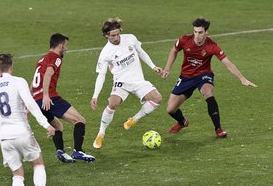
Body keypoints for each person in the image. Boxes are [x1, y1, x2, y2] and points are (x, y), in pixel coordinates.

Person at [161, 18, 258, 138]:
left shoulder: (212, 46)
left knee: (208, 92)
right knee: (170, 109)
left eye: (200, 32)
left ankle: (218, 129)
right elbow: (174, 51)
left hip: (203, 75)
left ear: (206, 32)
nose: (197, 35)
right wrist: (167, 68)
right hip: (186, 77)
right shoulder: (184, 40)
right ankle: (182, 122)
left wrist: (242, 79)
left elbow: (228, 63)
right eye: (195, 32)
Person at [0, 54, 55, 186]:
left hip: (4, 137)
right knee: (38, 164)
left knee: (17, 175)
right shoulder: (18, 81)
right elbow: (30, 104)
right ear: (11, 67)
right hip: (22, 132)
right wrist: (46, 125)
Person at [91, 18, 163, 149]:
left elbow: (141, 52)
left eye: (118, 34)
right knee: (112, 104)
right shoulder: (105, 53)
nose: (116, 37)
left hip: (138, 80)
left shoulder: (130, 38)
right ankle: (101, 133)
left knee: (157, 98)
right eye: (113, 35)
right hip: (121, 82)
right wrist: (95, 95)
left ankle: (134, 119)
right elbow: (101, 75)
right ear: (106, 35)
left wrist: (153, 66)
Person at [31, 33, 95, 162]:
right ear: (60, 46)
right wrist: (46, 96)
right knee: (79, 120)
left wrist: (30, 102)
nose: (66, 49)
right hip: (49, 99)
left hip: (36, 101)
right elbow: (48, 74)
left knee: (57, 126)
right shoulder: (56, 57)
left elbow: (33, 82)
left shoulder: (42, 59)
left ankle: (61, 152)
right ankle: (78, 151)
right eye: (65, 46)